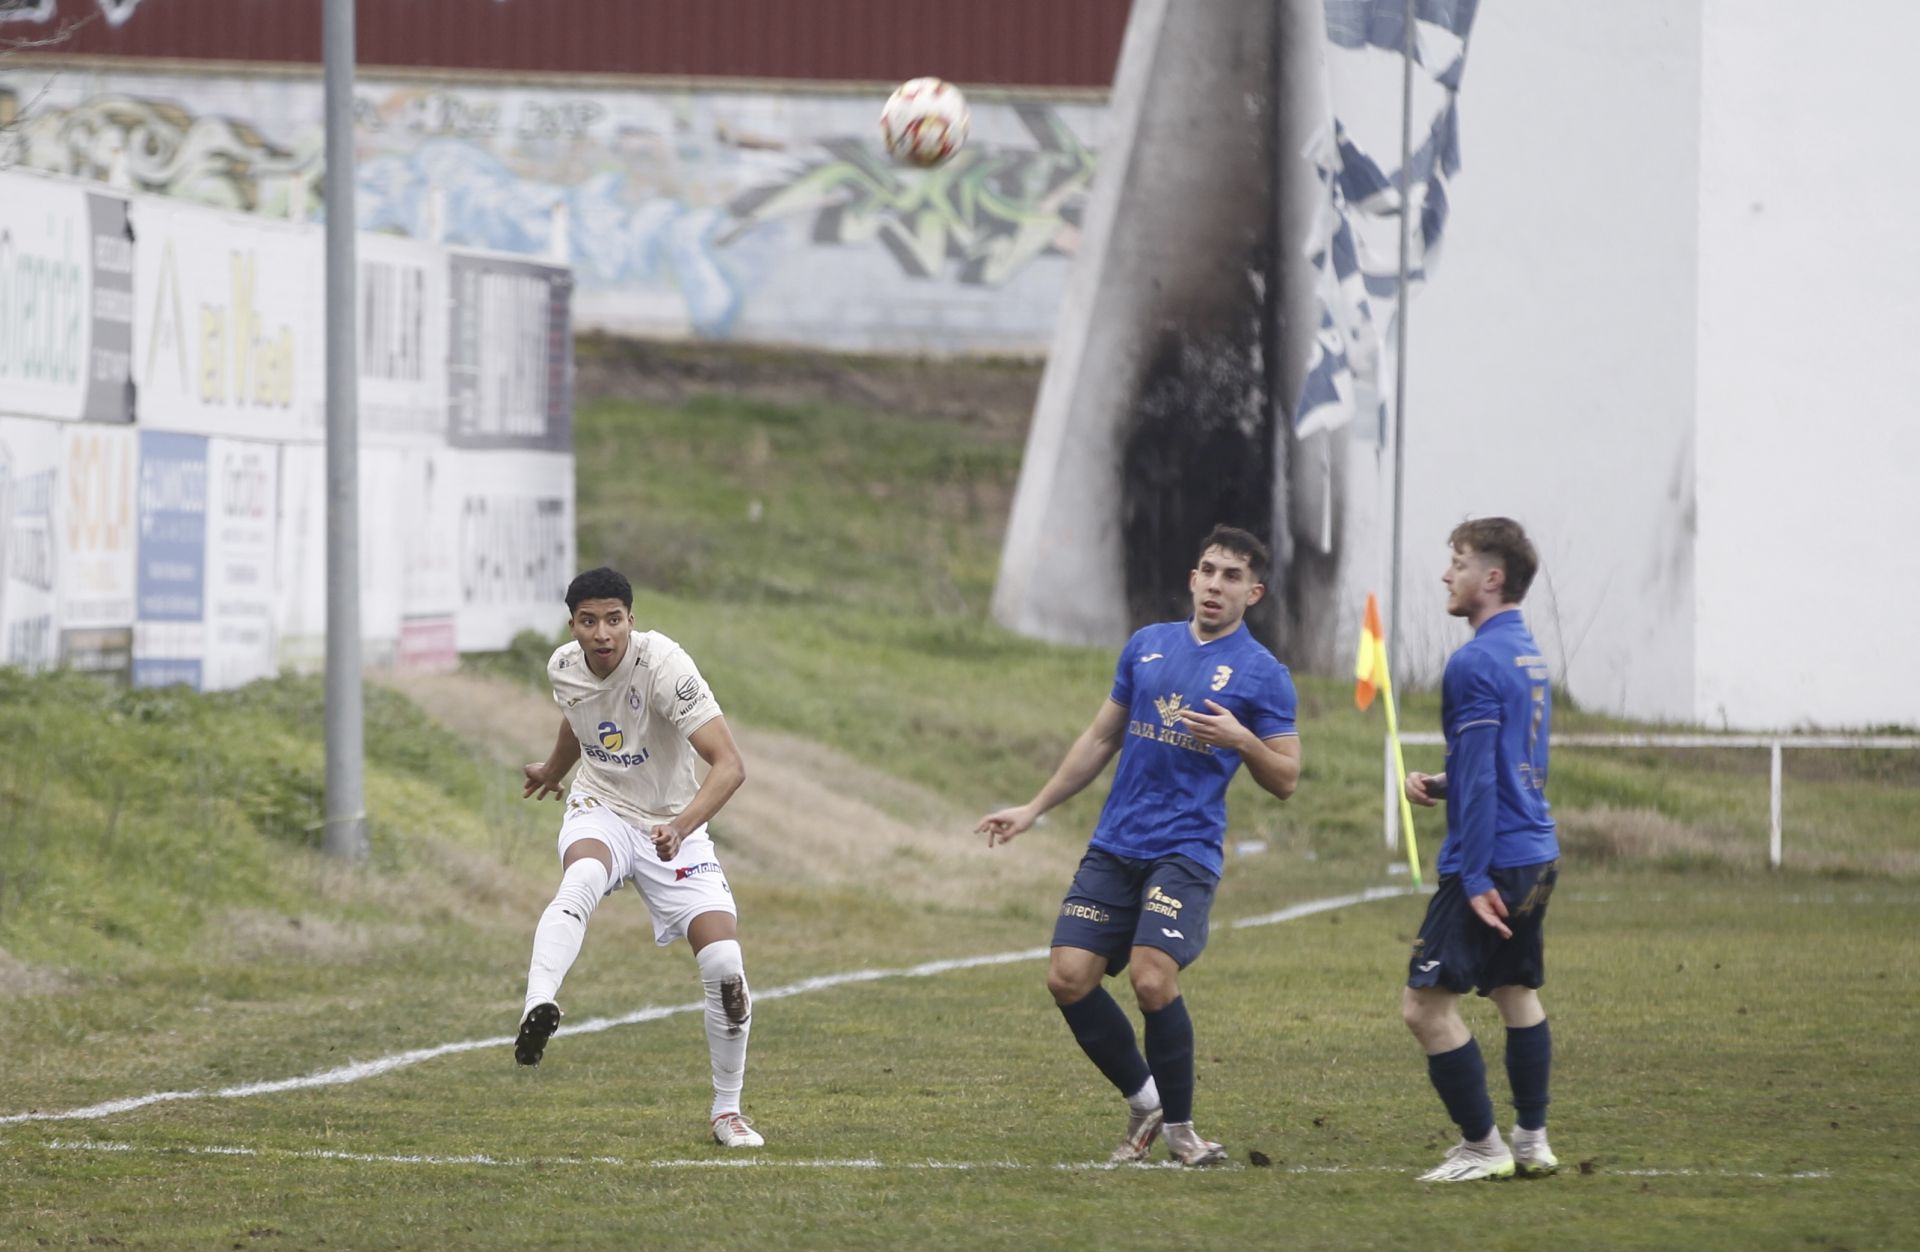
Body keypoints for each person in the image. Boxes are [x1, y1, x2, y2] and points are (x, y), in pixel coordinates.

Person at [975, 525, 1300, 1166]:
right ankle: (1146, 1098)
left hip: (1185, 850)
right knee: (1067, 978)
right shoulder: (1147, 646)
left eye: (1232, 576)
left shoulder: (1265, 675)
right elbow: (1100, 740)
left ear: (1253, 592)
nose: (1215, 584)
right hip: (1116, 843)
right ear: (1192, 577)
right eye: (1207, 570)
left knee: (1153, 979)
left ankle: (1181, 1130)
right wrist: (1035, 808)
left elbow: (1285, 778)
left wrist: (1243, 741)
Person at [514, 566, 764, 1149]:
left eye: (613, 619)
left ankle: (727, 1112)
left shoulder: (665, 668)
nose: (601, 633)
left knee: (726, 964)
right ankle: (538, 1006)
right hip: (600, 806)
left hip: (673, 824)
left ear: (632, 619)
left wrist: (680, 826)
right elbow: (583, 718)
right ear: (572, 624)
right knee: (581, 877)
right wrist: (554, 770)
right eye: (588, 620)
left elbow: (730, 766)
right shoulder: (563, 666)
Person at [1401, 518, 1562, 1182]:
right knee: (1513, 988)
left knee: (1424, 1006)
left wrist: (1470, 873)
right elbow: (1502, 759)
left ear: (1491, 579)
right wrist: (1444, 781)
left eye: (1459, 562)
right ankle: (1531, 1140)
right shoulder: (1526, 654)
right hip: (1534, 850)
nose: (1447, 574)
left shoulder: (1472, 661)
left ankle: (1483, 1147)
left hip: (1490, 856)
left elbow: (1484, 775)